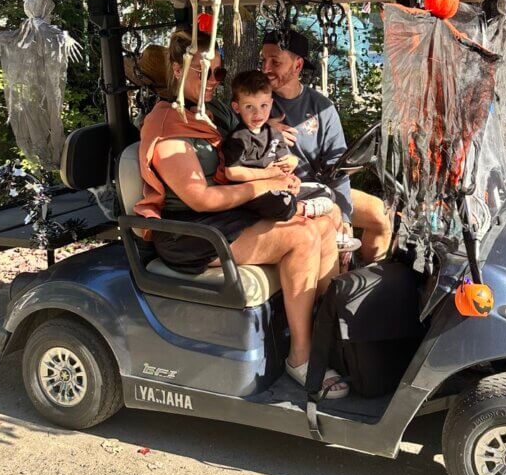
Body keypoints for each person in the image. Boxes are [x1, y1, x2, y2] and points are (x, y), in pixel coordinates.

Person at [135, 28, 348, 398]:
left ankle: (328, 335)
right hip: (191, 233)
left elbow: (246, 136)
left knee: (324, 223)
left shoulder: (209, 113)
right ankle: (300, 357)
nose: (214, 81)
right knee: (301, 236)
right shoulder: (167, 124)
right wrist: (265, 184)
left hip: (227, 218)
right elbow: (200, 199)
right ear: (177, 70)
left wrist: (273, 143)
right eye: (205, 72)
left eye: (218, 72)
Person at [261, 29, 393, 263]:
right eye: (263, 60)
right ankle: (337, 277)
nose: (265, 68)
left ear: (298, 65)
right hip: (284, 190)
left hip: (320, 188)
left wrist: (345, 216)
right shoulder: (256, 100)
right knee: (333, 223)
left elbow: (337, 165)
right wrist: (264, 131)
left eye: (275, 62)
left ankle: (368, 276)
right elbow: (237, 141)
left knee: (379, 214)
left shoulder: (321, 106)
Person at [221, 69, 338, 223]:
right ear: (237, 108)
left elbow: (284, 164)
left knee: (326, 191)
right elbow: (232, 172)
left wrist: (292, 178)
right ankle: (300, 208)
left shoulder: (273, 132)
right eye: (249, 107)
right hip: (252, 192)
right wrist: (269, 173)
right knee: (281, 202)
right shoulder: (238, 138)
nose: (258, 113)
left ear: (271, 104)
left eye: (263, 105)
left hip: (277, 187)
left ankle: (296, 204)